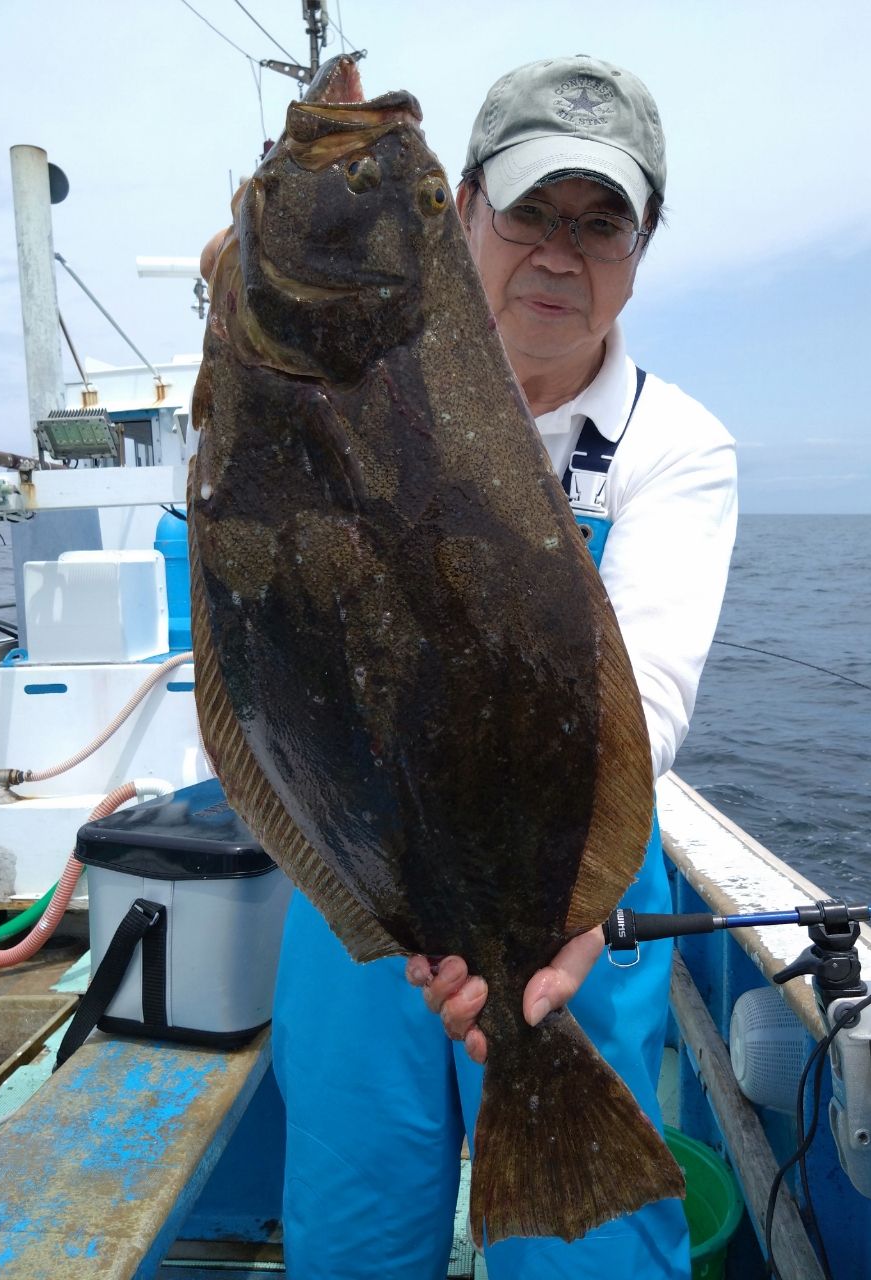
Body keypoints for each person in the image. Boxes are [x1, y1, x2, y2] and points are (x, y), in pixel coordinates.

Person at [267, 53, 737, 1280]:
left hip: (562, 890)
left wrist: (559, 919)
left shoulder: (674, 447)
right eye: (530, 209)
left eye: (600, 224)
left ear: (640, 250)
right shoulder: (359, 369)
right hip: (362, 864)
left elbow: (645, 693)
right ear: (465, 208)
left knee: (591, 1250)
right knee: (352, 1211)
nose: (558, 253)